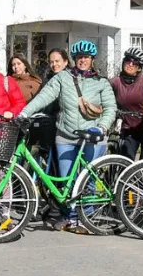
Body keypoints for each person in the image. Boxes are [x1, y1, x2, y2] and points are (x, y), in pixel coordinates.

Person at [19, 40, 117, 233]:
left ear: (92, 60)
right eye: (79, 57)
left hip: (92, 136)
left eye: (86, 58)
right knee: (66, 180)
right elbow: (44, 96)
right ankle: (70, 216)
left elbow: (111, 108)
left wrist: (103, 128)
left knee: (88, 179)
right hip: (66, 135)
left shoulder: (101, 82)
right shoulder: (63, 78)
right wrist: (24, 112)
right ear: (74, 59)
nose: (82, 61)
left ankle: (86, 216)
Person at [110, 47, 143, 160]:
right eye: (128, 61)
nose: (130, 65)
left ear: (139, 67)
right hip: (127, 128)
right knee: (126, 159)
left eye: (134, 63)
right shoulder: (115, 82)